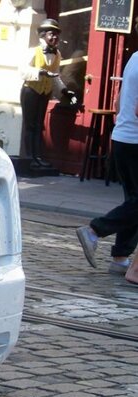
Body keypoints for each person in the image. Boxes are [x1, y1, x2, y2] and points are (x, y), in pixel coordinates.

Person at [76, 20, 138, 278]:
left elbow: (118, 100)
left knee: (134, 200)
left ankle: (121, 257)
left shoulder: (134, 57)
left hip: (123, 137)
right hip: (136, 141)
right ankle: (94, 230)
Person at [19, 19, 76, 167]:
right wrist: (41, 72)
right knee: (30, 125)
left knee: (39, 125)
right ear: (43, 35)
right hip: (31, 90)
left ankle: (37, 157)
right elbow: (22, 71)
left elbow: (55, 76)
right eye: (52, 34)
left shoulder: (57, 54)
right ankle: (28, 158)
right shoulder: (33, 51)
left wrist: (64, 91)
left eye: (57, 35)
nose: (55, 38)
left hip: (45, 92)